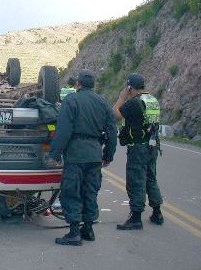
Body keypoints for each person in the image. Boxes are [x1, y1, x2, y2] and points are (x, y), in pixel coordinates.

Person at [47, 69, 117, 246]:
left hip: (76, 154)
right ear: (93, 85)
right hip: (94, 154)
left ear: (78, 84)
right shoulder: (103, 102)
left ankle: (74, 233)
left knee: (72, 192)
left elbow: (63, 131)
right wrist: (108, 154)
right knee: (90, 192)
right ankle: (88, 229)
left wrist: (55, 154)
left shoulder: (71, 100)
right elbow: (111, 131)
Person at [112, 73, 164, 230]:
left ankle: (135, 218)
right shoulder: (152, 100)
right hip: (152, 146)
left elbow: (115, 113)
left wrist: (122, 97)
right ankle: (157, 213)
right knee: (150, 178)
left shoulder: (134, 103)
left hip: (138, 147)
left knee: (136, 180)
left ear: (130, 87)